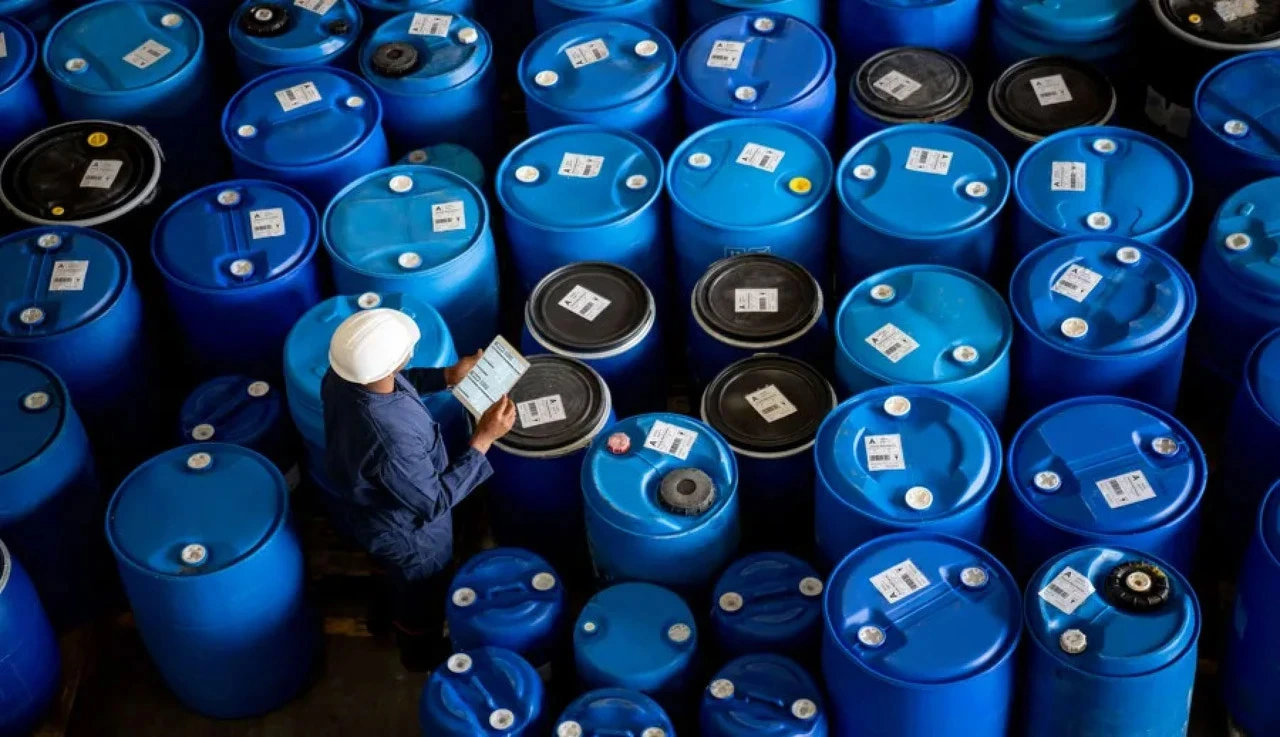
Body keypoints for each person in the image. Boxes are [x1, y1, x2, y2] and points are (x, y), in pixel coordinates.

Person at [321, 308, 516, 670]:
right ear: (394, 360)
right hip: (410, 534)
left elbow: (396, 381)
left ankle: (382, 613)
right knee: (422, 595)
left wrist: (446, 376)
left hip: (368, 506)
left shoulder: (341, 377)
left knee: (390, 574)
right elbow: (435, 501)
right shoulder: (391, 442)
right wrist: (484, 439)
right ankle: (419, 652)